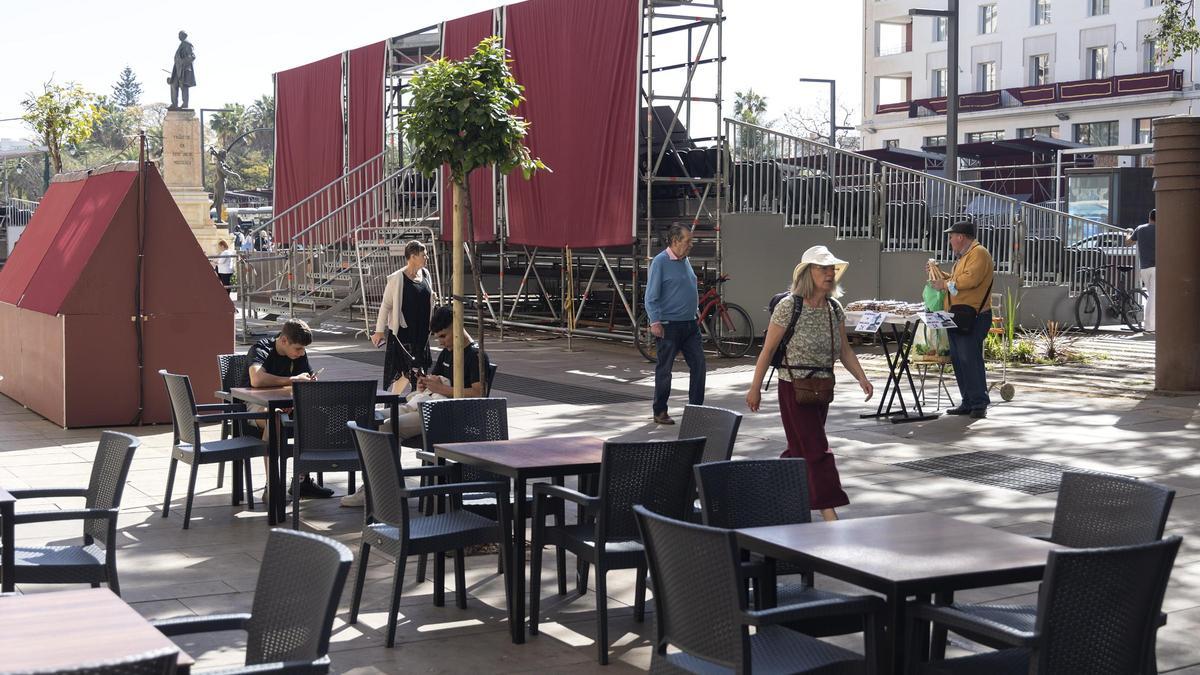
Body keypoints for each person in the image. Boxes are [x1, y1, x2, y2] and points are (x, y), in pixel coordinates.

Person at [745, 245, 873, 522]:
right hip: (794, 386)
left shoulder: (834, 308)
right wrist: (755, 387)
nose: (829, 274)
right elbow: (767, 351)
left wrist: (861, 377)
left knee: (799, 449)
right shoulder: (789, 306)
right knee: (816, 448)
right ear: (807, 273)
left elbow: (844, 350)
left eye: (831, 269)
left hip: (823, 387)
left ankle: (769, 499)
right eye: (822, 268)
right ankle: (830, 513)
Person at [345, 306, 491, 507]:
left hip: (448, 414)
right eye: (437, 338)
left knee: (388, 426)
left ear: (457, 329)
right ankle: (373, 484)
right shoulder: (447, 352)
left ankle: (383, 489)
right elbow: (435, 380)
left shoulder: (475, 356)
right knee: (372, 419)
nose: (441, 342)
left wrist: (441, 388)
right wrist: (425, 383)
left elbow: (478, 393)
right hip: (427, 402)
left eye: (443, 336)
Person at [246, 319, 332, 498]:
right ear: (284, 340)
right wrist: (293, 380)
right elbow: (257, 380)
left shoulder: (300, 355)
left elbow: (304, 378)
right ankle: (272, 486)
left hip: (288, 404)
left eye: (303, 349)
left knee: (314, 414)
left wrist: (309, 382)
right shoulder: (261, 349)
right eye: (298, 348)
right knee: (274, 417)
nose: (301, 353)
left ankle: (302, 481)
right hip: (256, 405)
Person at [930, 221, 995, 419]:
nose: (950, 241)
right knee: (959, 360)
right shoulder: (965, 256)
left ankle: (979, 402)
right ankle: (968, 401)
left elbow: (969, 280)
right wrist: (939, 273)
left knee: (969, 358)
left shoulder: (979, 253)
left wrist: (945, 283)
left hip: (974, 315)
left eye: (951, 237)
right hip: (959, 314)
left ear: (960, 237)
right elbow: (957, 280)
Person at [645, 223, 704, 425]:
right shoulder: (660, 262)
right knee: (665, 370)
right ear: (675, 241)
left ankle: (696, 409)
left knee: (699, 366)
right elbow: (651, 296)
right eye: (688, 241)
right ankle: (660, 410)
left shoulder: (684, 260)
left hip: (689, 324)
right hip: (669, 325)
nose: (691, 245)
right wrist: (655, 321)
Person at [371, 241, 435, 393]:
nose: (426, 257)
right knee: (406, 370)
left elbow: (425, 296)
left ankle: (408, 401)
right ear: (412, 256)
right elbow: (386, 305)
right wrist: (379, 331)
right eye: (423, 254)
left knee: (417, 370)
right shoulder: (397, 278)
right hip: (403, 333)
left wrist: (432, 297)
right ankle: (397, 400)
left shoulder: (426, 274)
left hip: (422, 332)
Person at [1128, 208, 1156, 333]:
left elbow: (1128, 242)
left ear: (1149, 217)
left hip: (1144, 268)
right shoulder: (1163, 229)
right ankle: (1149, 327)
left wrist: (1128, 232)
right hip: (1157, 268)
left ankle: (1152, 324)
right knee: (1153, 297)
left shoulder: (1140, 229)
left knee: (1152, 296)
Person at [168, 30, 196, 110]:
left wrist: (183, 63)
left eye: (180, 35)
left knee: (183, 86)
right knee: (173, 84)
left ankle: (185, 104)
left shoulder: (187, 44)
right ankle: (174, 104)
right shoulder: (182, 44)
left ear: (183, 36)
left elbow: (192, 56)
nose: (178, 36)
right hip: (177, 69)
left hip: (184, 69)